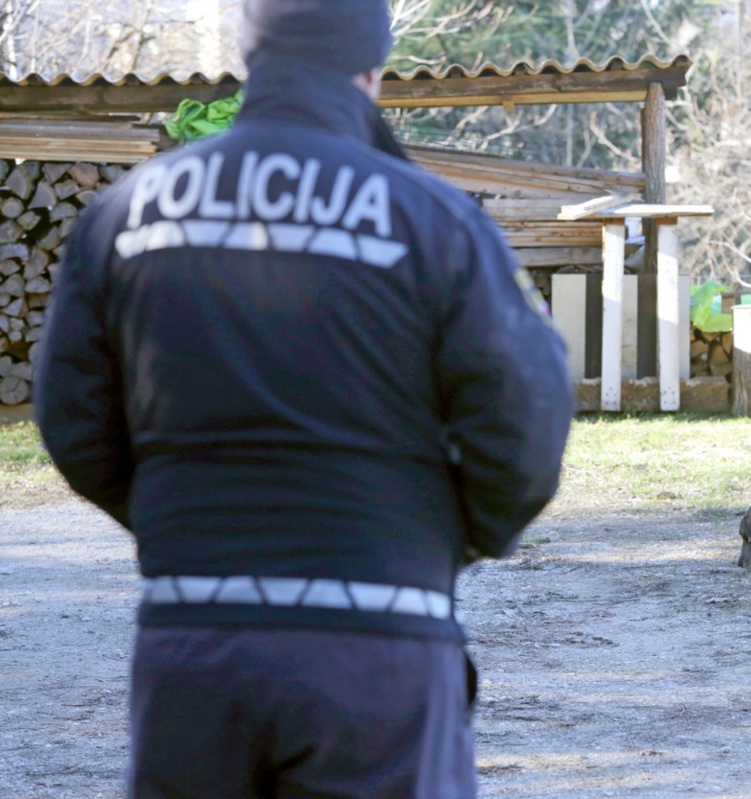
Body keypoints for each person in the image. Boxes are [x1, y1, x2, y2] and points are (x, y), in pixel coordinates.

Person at [34, 1, 574, 796]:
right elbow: (526, 423)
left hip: (192, 644)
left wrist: (187, 524)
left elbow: (73, 419)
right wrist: (436, 541)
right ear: (371, 69)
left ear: (252, 59)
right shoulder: (436, 220)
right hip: (381, 647)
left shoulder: (124, 215)